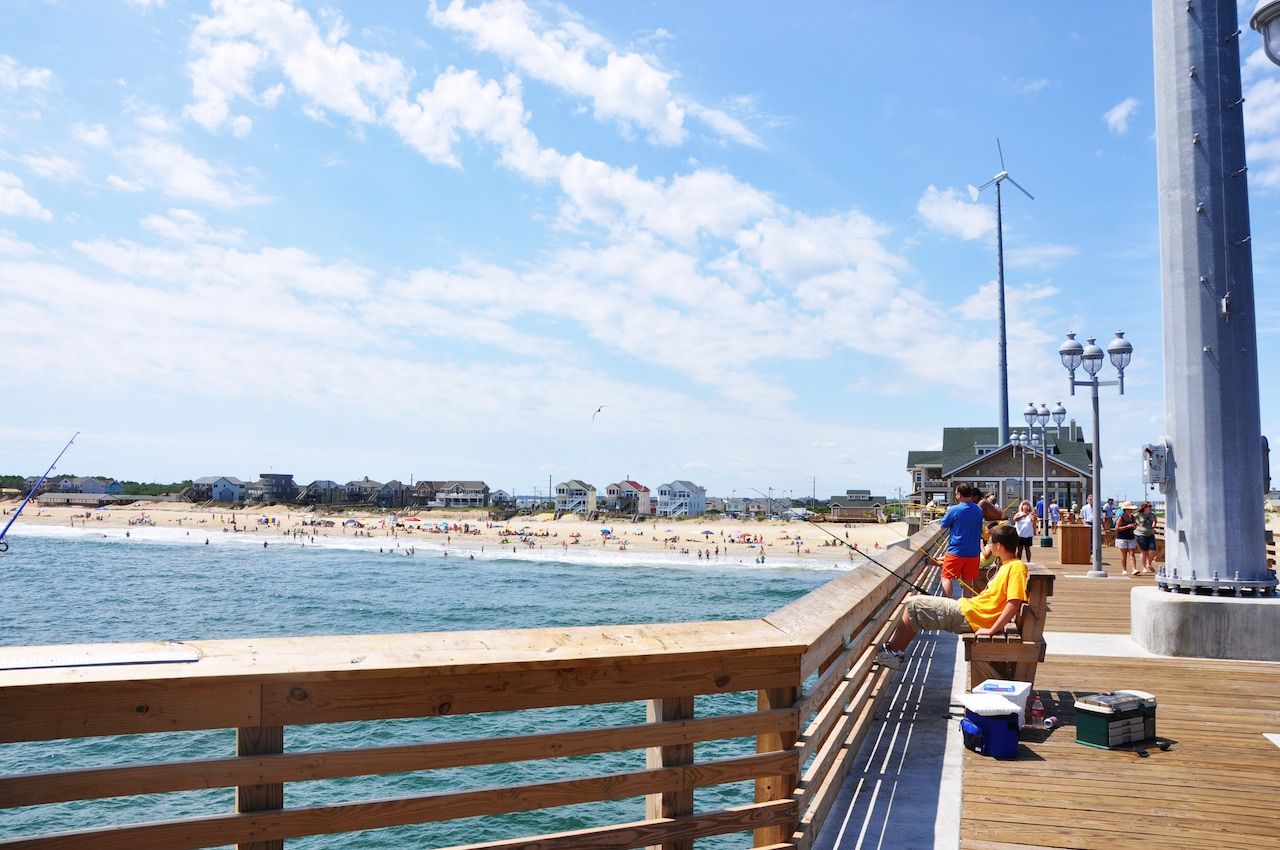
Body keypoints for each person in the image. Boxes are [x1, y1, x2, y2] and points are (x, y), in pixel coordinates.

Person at [876, 524, 1029, 670]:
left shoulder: (1016, 567)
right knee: (915, 609)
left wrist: (992, 630)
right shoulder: (1008, 564)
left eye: (989, 543)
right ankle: (895, 653)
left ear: (999, 546)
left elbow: (1014, 603)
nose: (988, 546)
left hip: (972, 616)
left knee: (913, 605)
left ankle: (891, 654)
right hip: (971, 611)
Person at [938, 484, 984, 599]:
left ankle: (946, 605)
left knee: (946, 577)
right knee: (968, 583)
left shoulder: (954, 509)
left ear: (959, 494)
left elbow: (942, 526)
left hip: (956, 551)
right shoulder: (978, 509)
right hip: (974, 552)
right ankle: (966, 611)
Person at [1134, 500, 1159, 575]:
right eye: (1149, 506)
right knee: (1144, 551)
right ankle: (1144, 567)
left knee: (1153, 550)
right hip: (1140, 534)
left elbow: (1155, 520)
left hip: (1150, 533)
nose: (1150, 508)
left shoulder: (1152, 514)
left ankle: (1149, 563)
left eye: (1151, 506)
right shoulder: (1139, 514)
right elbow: (1132, 519)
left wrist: (1153, 526)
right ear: (1144, 507)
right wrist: (1136, 524)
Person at [1115, 502, 1138, 574]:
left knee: (1132, 553)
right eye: (1129, 509)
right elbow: (1117, 528)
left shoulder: (1132, 517)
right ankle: (1124, 569)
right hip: (1122, 537)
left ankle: (1134, 569)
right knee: (1124, 555)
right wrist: (1127, 527)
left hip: (1131, 537)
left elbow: (1134, 526)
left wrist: (1134, 526)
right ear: (1125, 510)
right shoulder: (1121, 518)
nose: (1131, 511)